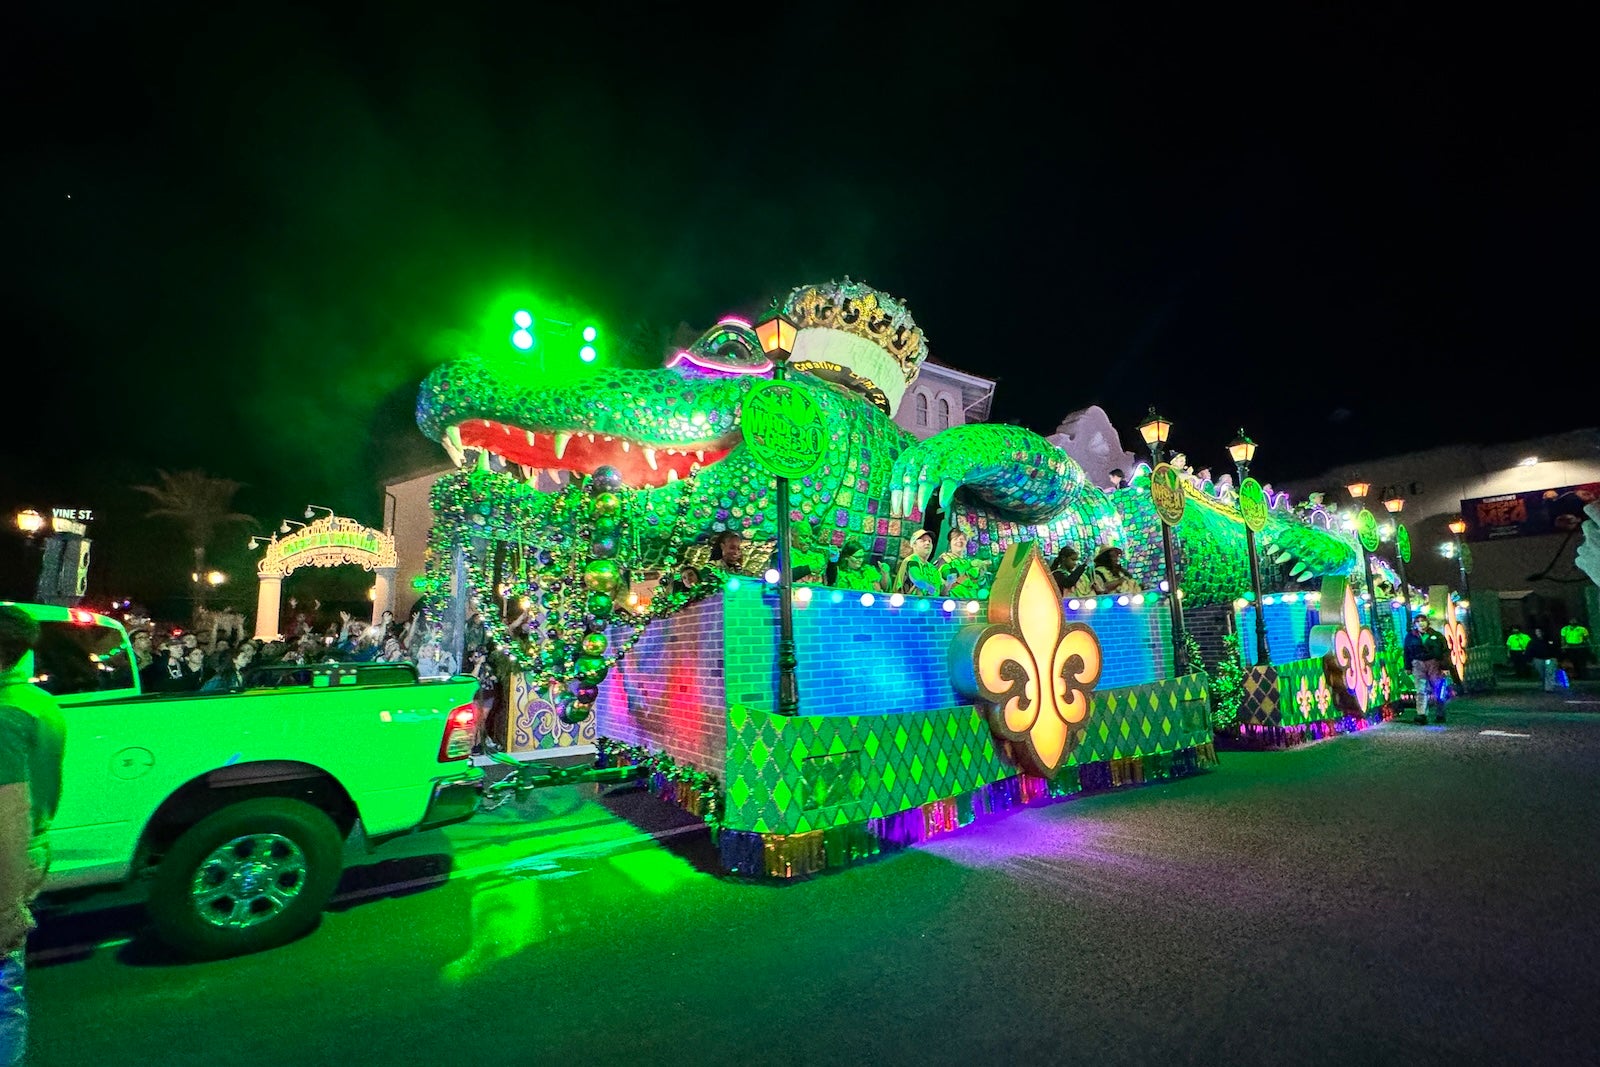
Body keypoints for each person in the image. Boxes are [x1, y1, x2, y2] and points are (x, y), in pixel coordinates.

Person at [2, 606, 67, 1065]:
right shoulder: (39, 704)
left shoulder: (8, 716)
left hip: (6, 862)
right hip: (29, 850)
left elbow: (8, 815)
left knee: (3, 988)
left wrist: (6, 908)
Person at [1406, 616, 1448, 724]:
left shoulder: (1437, 635)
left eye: (1423, 621)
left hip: (1434, 663)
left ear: (1427, 623)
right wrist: (1408, 667)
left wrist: (1444, 667)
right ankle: (1421, 714)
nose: (1421, 624)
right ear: (1415, 624)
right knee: (1420, 689)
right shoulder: (1410, 637)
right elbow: (1406, 652)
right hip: (1417, 663)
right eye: (1418, 622)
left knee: (1438, 688)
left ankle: (1440, 713)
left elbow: (1444, 651)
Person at [893, 529, 939, 596]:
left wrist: (948, 583)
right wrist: (931, 589)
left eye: (930, 541)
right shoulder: (912, 560)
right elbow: (918, 580)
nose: (927, 543)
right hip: (907, 604)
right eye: (923, 540)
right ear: (914, 545)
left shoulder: (932, 568)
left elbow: (940, 590)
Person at [1527, 628, 1562, 692]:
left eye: (1539, 631)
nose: (1538, 633)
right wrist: (1529, 660)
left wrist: (1557, 658)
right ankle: (1545, 686)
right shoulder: (1533, 641)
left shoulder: (1550, 640)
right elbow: (1529, 651)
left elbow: (1556, 649)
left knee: (1549, 672)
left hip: (1549, 659)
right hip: (1538, 659)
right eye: (1537, 632)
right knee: (1542, 674)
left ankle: (1549, 688)